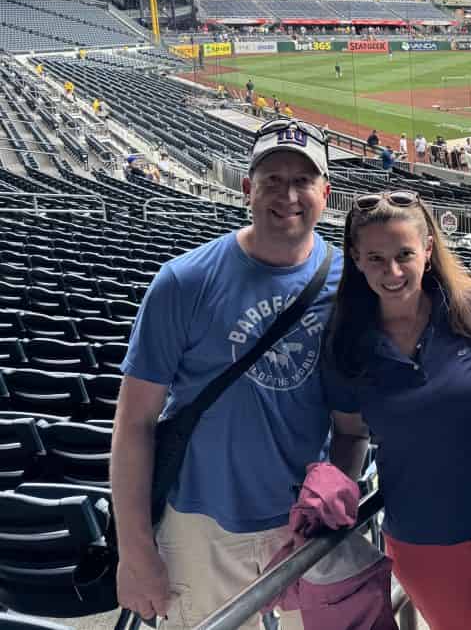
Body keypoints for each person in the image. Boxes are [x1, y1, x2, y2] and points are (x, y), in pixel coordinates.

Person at [112, 120, 366, 627]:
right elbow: (134, 423)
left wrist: (334, 503)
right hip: (201, 526)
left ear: (326, 193)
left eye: (303, 181)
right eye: (272, 179)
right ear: (248, 189)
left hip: (302, 525)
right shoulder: (183, 281)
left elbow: (350, 425)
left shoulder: (350, 286)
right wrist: (135, 553)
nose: (288, 195)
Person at [322, 191, 471, 629]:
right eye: (376, 258)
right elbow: (349, 433)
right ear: (356, 259)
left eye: (404, 253)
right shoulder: (346, 341)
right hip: (422, 543)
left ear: (427, 249)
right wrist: (336, 498)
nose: (393, 271)